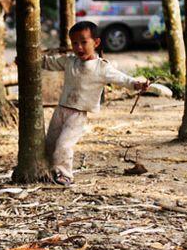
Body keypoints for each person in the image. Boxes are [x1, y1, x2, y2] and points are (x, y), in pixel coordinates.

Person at [42, 21, 149, 186]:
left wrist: (137, 84)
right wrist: (30, 59)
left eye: (84, 42)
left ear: (96, 42)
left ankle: (65, 175)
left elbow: (122, 79)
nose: (79, 47)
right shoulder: (70, 61)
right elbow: (50, 62)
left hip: (78, 114)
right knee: (50, 143)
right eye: (75, 43)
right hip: (61, 109)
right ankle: (49, 171)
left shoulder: (102, 68)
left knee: (64, 145)